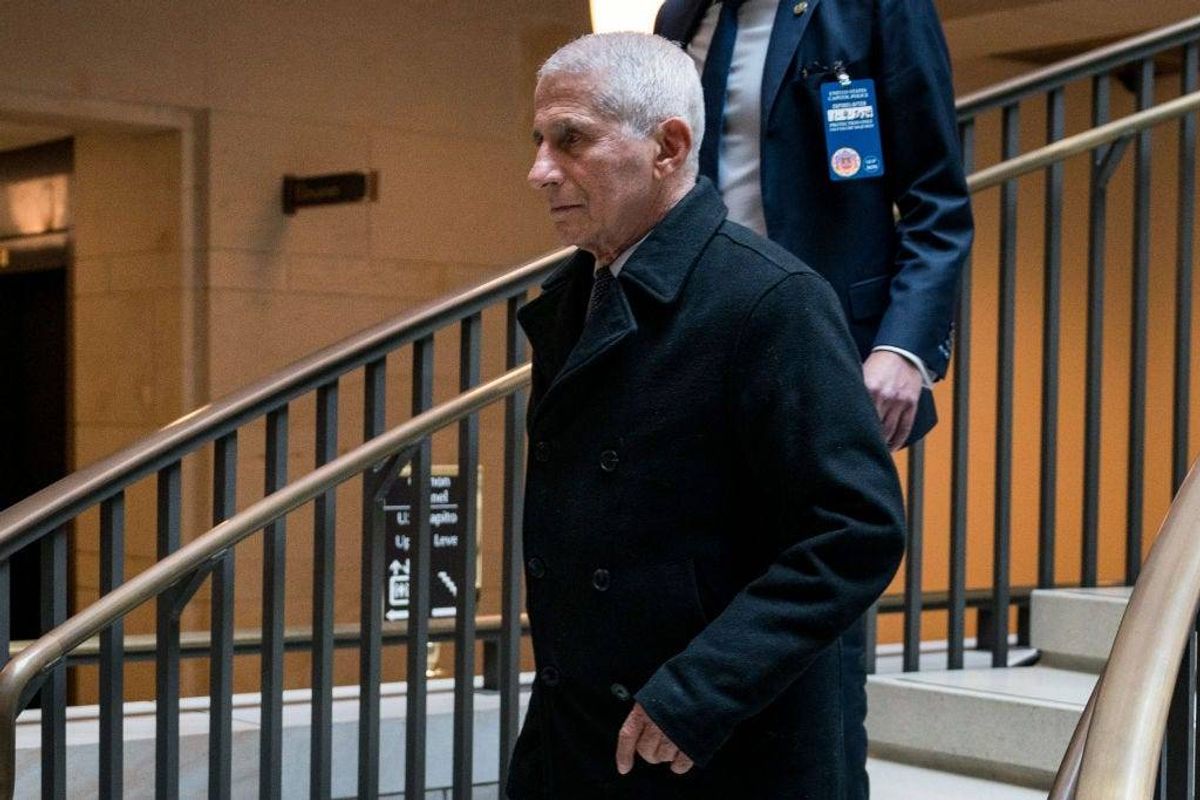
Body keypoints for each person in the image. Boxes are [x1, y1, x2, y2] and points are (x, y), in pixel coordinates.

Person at [509, 31, 905, 799]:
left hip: (718, 743)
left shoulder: (771, 300)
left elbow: (855, 529)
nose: (539, 171)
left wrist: (700, 690)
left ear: (668, 146)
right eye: (538, 141)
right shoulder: (574, 300)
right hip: (583, 733)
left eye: (571, 140)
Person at [655, 4, 974, 795]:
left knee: (811, 640)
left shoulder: (873, 9)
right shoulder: (684, 13)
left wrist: (905, 350)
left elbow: (937, 203)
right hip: (689, 351)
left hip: (819, 358)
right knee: (689, 620)